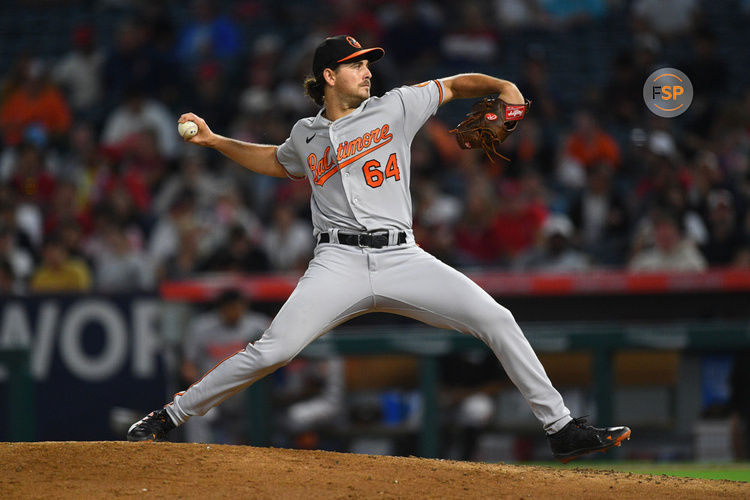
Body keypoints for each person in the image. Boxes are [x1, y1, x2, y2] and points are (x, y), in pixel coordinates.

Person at [127, 35, 630, 462]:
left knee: (497, 319)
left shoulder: (396, 106)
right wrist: (216, 142)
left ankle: (560, 429)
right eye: (356, 64)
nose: (368, 71)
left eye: (368, 63)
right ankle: (171, 415)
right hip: (337, 262)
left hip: (402, 257)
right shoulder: (305, 134)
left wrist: (504, 88)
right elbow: (277, 163)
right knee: (273, 350)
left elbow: (456, 85)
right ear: (328, 74)